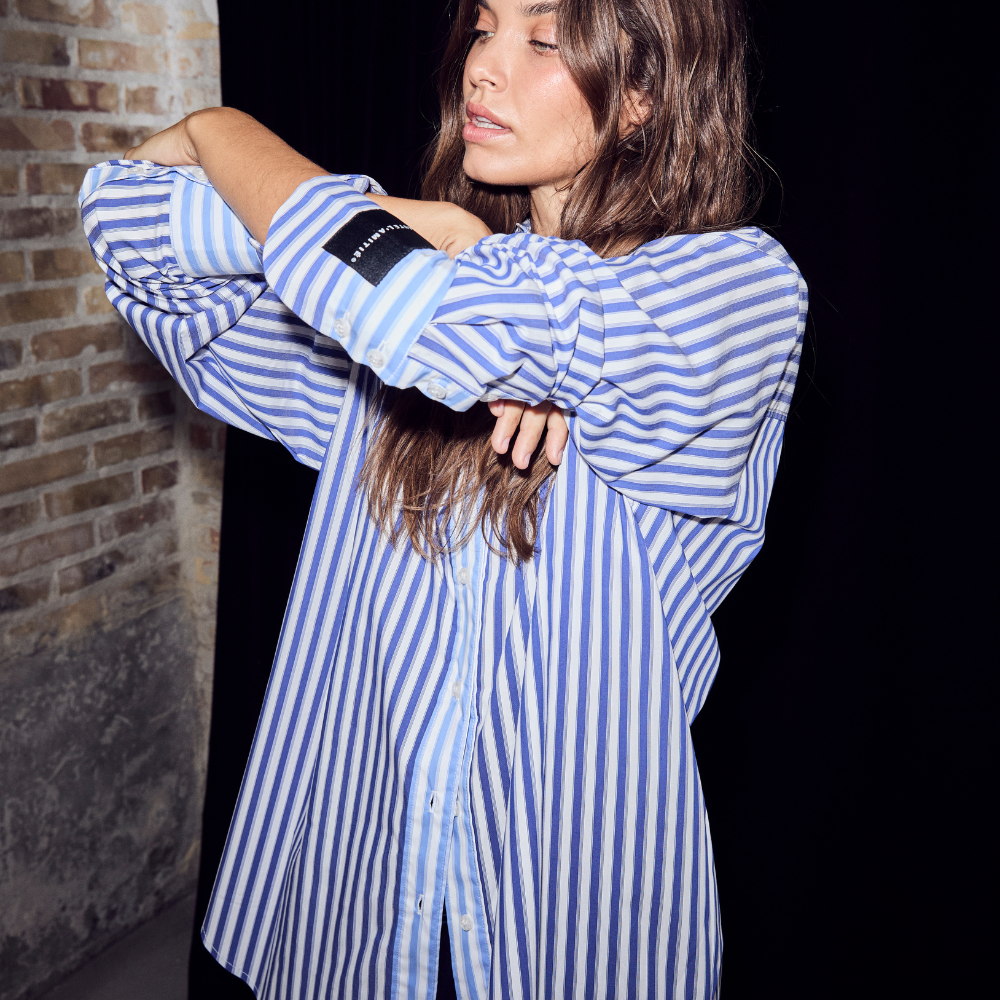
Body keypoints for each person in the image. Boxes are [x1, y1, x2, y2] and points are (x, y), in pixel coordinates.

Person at [80, 0, 806, 996]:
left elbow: (430, 315)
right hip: (365, 894)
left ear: (642, 96)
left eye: (541, 40)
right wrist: (425, 235)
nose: (483, 68)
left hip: (569, 911)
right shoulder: (405, 304)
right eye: (482, 28)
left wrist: (220, 130)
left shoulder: (734, 292)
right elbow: (127, 222)